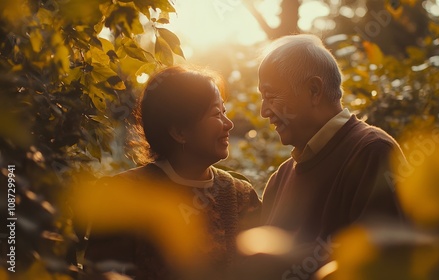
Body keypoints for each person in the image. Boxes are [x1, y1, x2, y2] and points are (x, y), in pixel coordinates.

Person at [82, 65, 261, 280]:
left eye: (224, 111)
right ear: (179, 132)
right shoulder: (122, 195)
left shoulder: (240, 196)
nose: (229, 124)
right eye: (216, 114)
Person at [258, 34, 406, 277]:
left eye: (270, 95)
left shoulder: (372, 152)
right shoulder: (281, 177)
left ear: (314, 90)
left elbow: (381, 263)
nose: (264, 111)